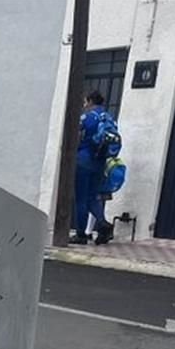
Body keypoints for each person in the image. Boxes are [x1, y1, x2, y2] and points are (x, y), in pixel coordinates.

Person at [71, 91, 114, 245]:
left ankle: (81, 234)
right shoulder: (108, 117)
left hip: (84, 160)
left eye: (85, 102)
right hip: (100, 162)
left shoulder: (87, 117)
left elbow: (75, 135)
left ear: (89, 101)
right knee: (93, 196)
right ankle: (103, 223)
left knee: (81, 199)